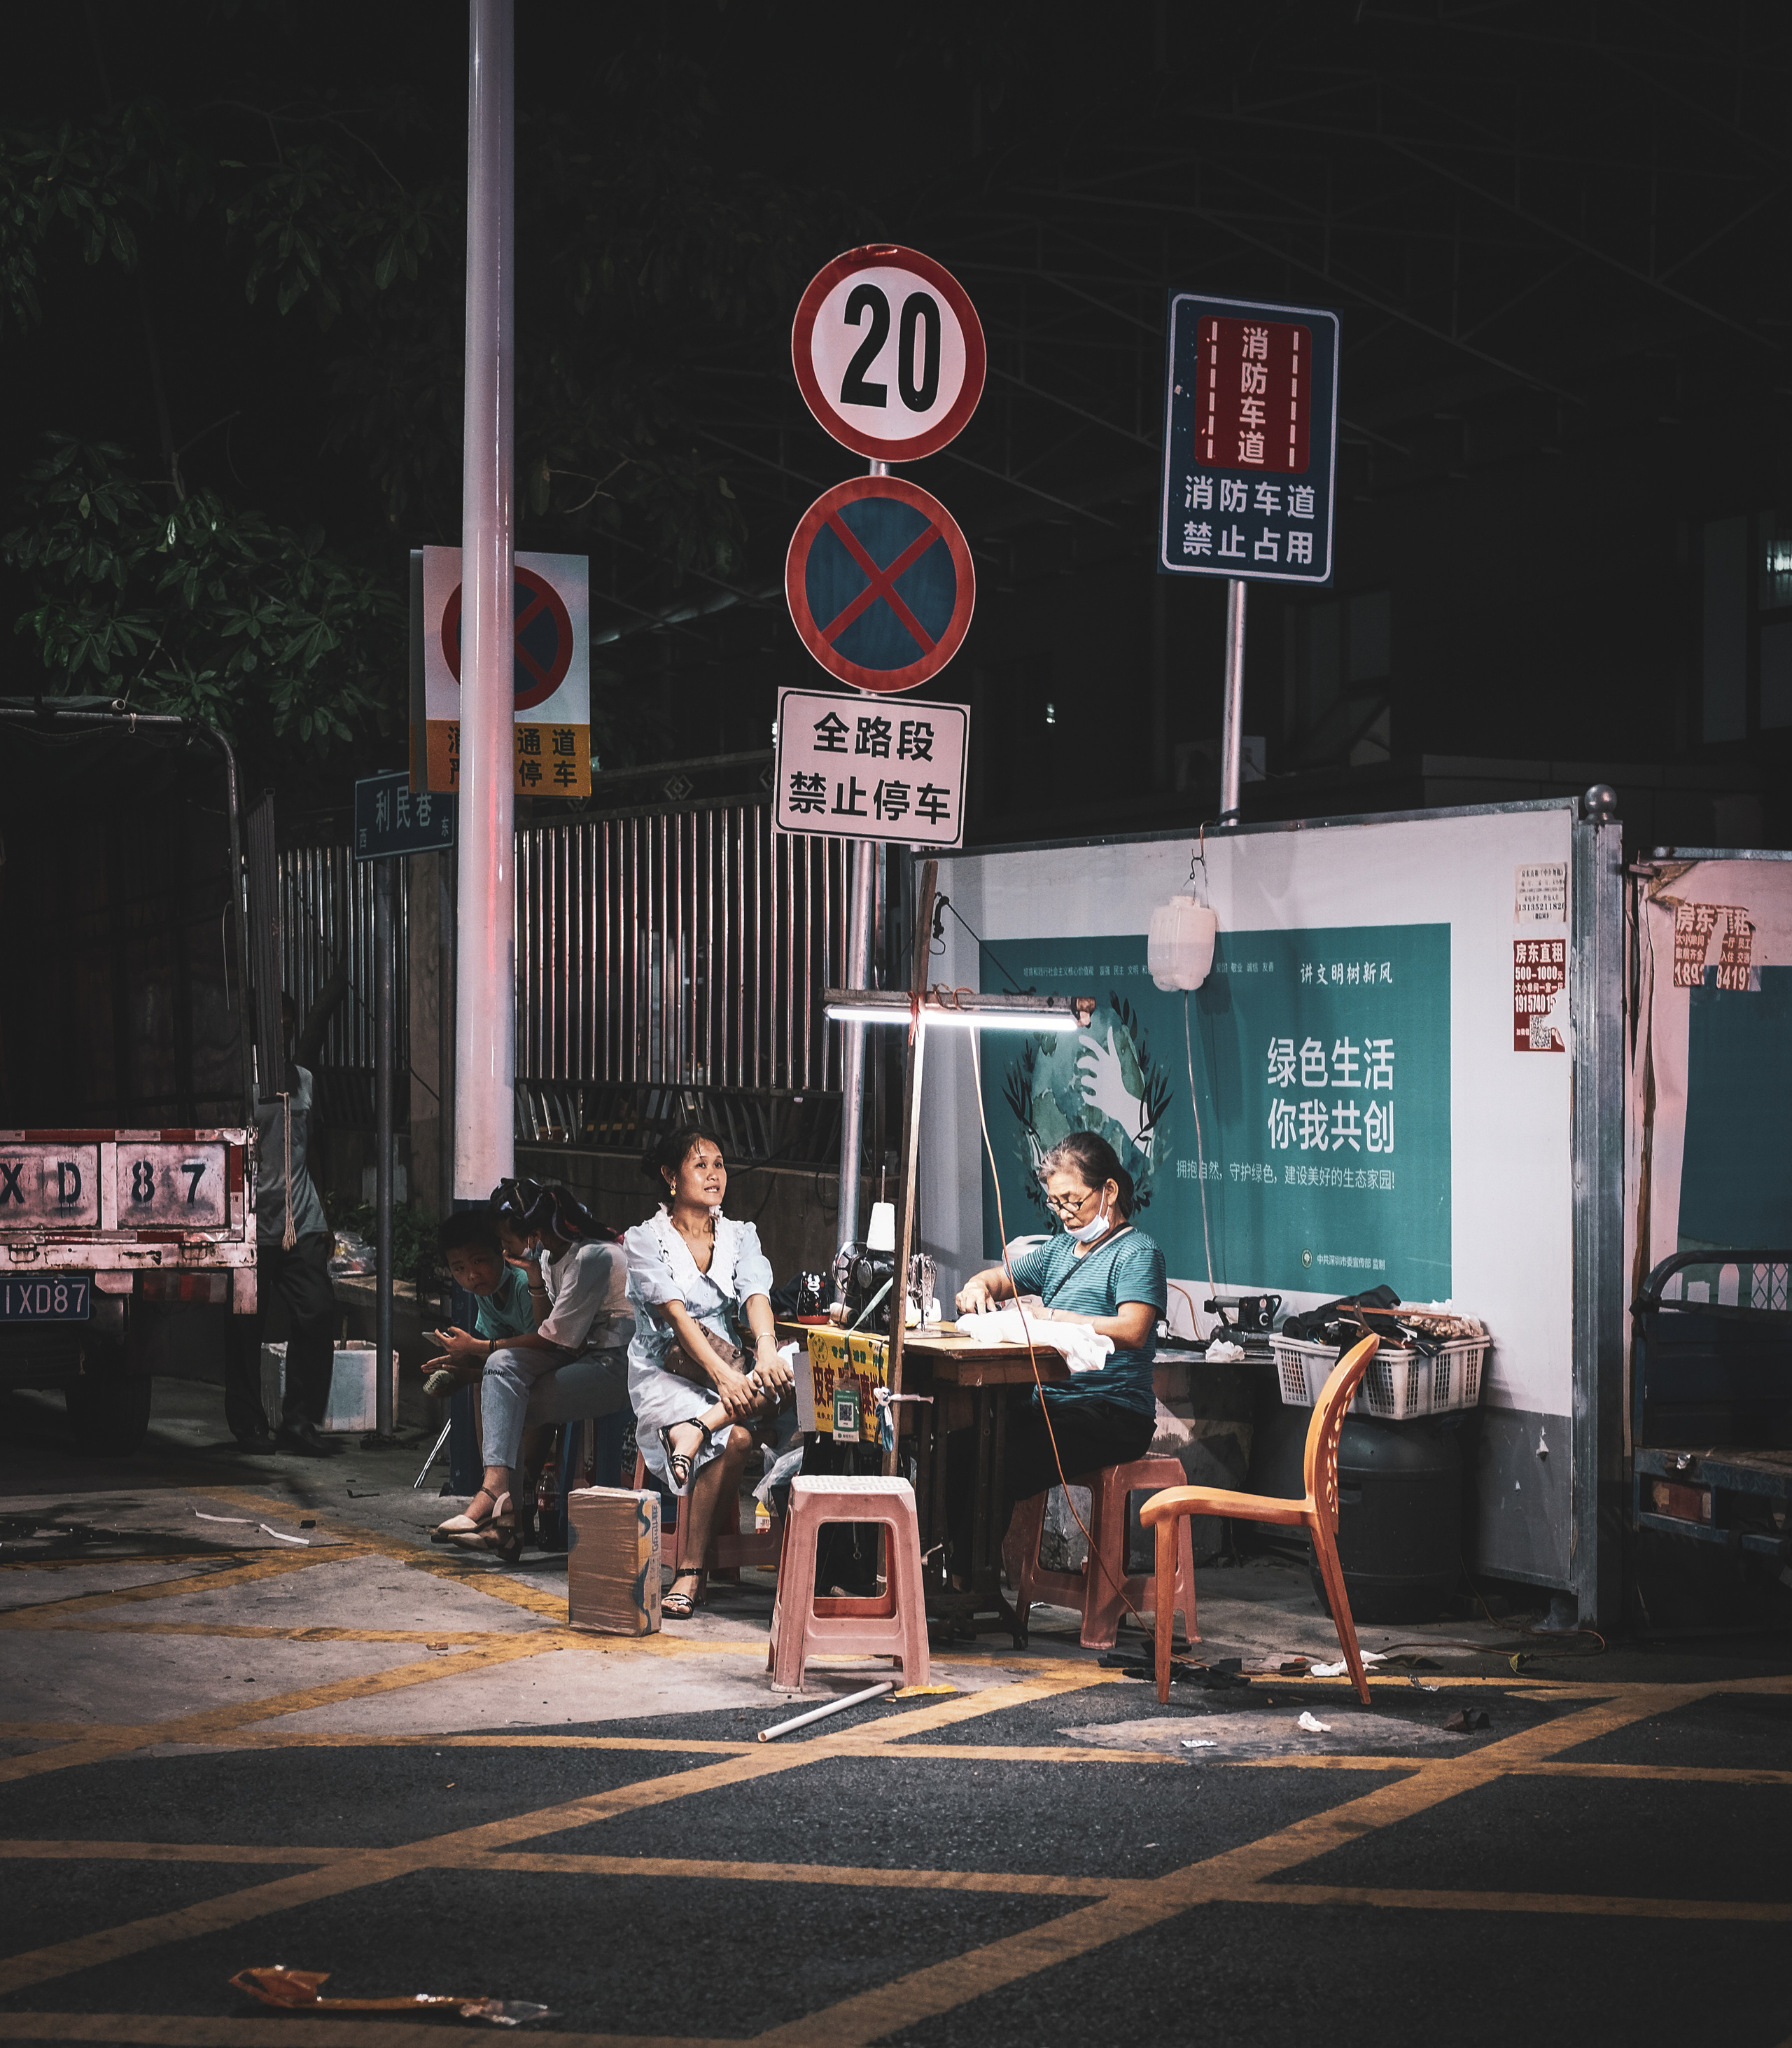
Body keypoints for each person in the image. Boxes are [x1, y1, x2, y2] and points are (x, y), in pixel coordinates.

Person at [951, 1130, 1166, 1559]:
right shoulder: (1059, 1250)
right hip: (1052, 1405)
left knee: (1003, 1462)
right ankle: (949, 1578)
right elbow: (1000, 1277)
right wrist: (977, 1287)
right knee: (960, 1448)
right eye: (1056, 1202)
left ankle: (974, 1581)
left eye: (1073, 1199)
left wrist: (1053, 1319)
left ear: (1108, 1190)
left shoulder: (1138, 1253)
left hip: (1112, 1412)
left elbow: (1132, 1329)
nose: (1065, 1213)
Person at [623, 1128, 793, 1618]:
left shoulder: (739, 1234)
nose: (714, 1174)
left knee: (792, 1365)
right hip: (666, 1371)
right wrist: (725, 1377)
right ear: (670, 1177)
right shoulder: (644, 1239)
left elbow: (756, 1294)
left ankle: (699, 1429)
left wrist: (763, 1352)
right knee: (737, 1439)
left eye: (719, 1164)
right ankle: (691, 1570)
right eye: (701, 1165)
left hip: (730, 1374)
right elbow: (675, 1316)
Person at [426, 1181, 632, 1561]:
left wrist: (478, 1349)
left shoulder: (591, 1258)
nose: (503, 1251)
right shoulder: (552, 1258)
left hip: (616, 1366)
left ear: (534, 1233)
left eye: (506, 1241)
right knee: (501, 1369)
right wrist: (536, 1277)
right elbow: (546, 1332)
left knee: (504, 1390)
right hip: (580, 1356)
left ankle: (503, 1512)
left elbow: (555, 1343)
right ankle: (501, 1502)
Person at [223, 994, 337, 1458]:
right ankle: (250, 1421)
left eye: (290, 1026)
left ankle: (301, 1420)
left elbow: (314, 1145)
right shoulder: (238, 1084)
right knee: (245, 1326)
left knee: (318, 1309)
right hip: (251, 1221)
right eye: (277, 1026)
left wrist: (326, 1213)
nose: (285, 1034)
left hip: (300, 1219)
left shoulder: (304, 1080)